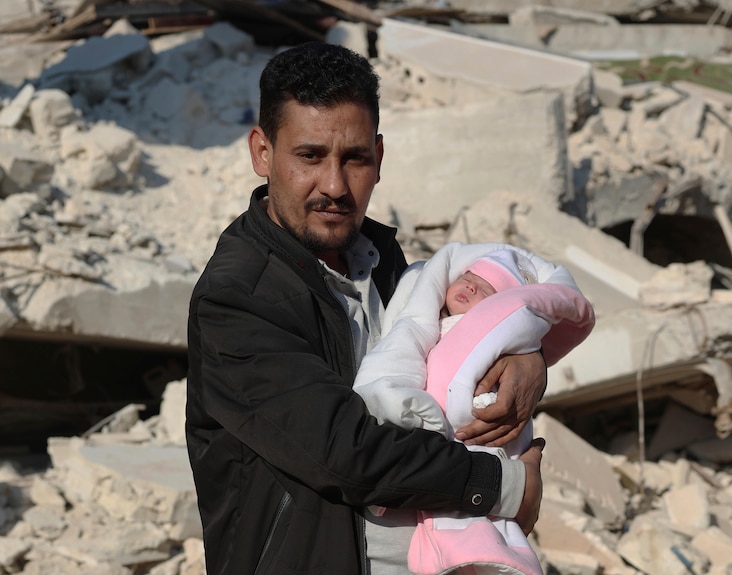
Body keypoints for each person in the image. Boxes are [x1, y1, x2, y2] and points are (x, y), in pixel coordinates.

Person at [185, 42, 549, 575]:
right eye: (309, 156)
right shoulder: (238, 297)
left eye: (354, 159)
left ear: (379, 158)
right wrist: (502, 486)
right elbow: (345, 451)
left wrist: (527, 357)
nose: (334, 186)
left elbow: (462, 338)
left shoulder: (384, 264)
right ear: (262, 153)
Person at [354, 244, 596, 575]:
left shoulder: (387, 263)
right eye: (468, 278)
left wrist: (530, 357)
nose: (470, 286)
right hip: (420, 493)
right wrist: (514, 487)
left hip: (463, 470)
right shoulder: (424, 323)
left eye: (486, 290)